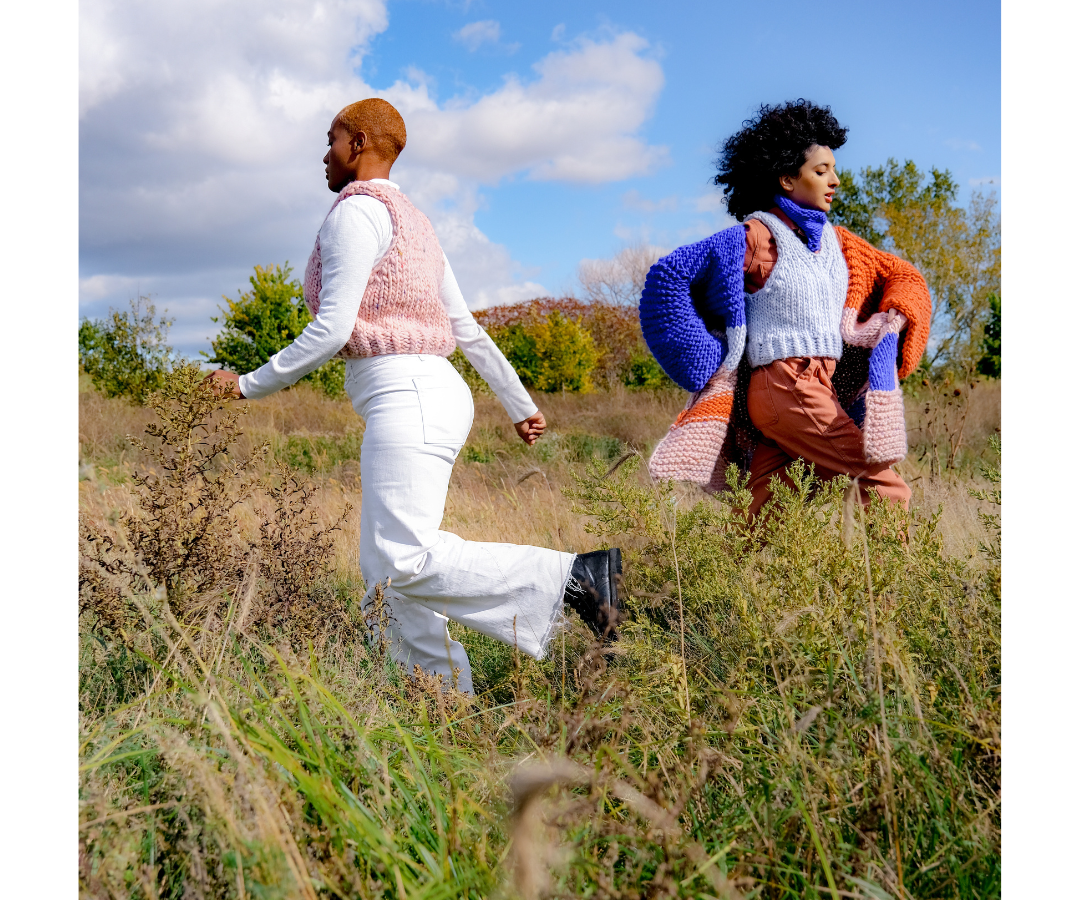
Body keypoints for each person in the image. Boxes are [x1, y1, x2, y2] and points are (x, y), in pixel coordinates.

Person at [208, 99, 621, 692]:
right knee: (385, 571)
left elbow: (333, 328)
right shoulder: (416, 225)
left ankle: (573, 578)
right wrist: (519, 402)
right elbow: (466, 327)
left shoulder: (356, 215)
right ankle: (444, 700)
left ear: (359, 144)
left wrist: (246, 385)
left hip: (409, 394)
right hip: (428, 393)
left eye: (332, 139)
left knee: (404, 558)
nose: (324, 154)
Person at [639, 100, 931, 517]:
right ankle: (901, 581)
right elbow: (668, 276)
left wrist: (896, 313)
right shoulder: (759, 236)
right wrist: (703, 359)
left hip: (815, 386)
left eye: (832, 168)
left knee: (766, 512)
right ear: (786, 179)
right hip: (787, 385)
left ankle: (720, 581)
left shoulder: (840, 241)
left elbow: (901, 275)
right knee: (882, 485)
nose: (835, 179)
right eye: (820, 170)